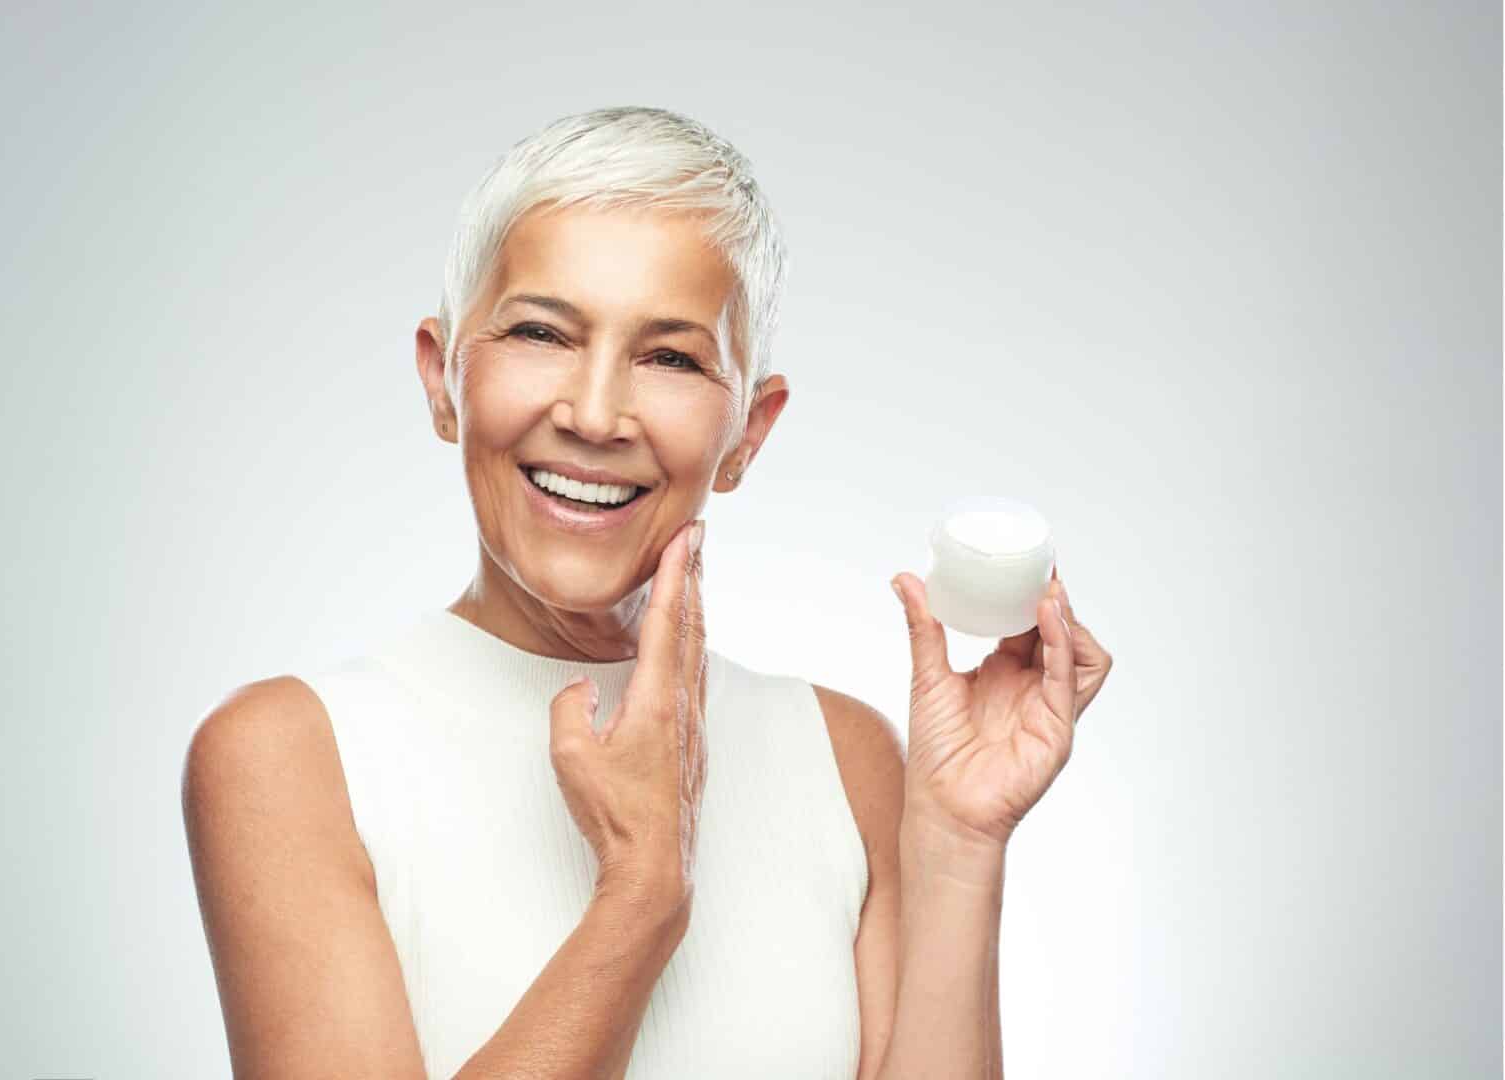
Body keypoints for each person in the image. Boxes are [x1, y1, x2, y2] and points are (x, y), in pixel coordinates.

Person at [181, 105, 1114, 1080]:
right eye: (541, 332)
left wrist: (961, 844)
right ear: (441, 380)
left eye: (669, 357)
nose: (594, 416)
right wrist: (640, 892)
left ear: (749, 432)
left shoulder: (845, 757)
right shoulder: (289, 755)